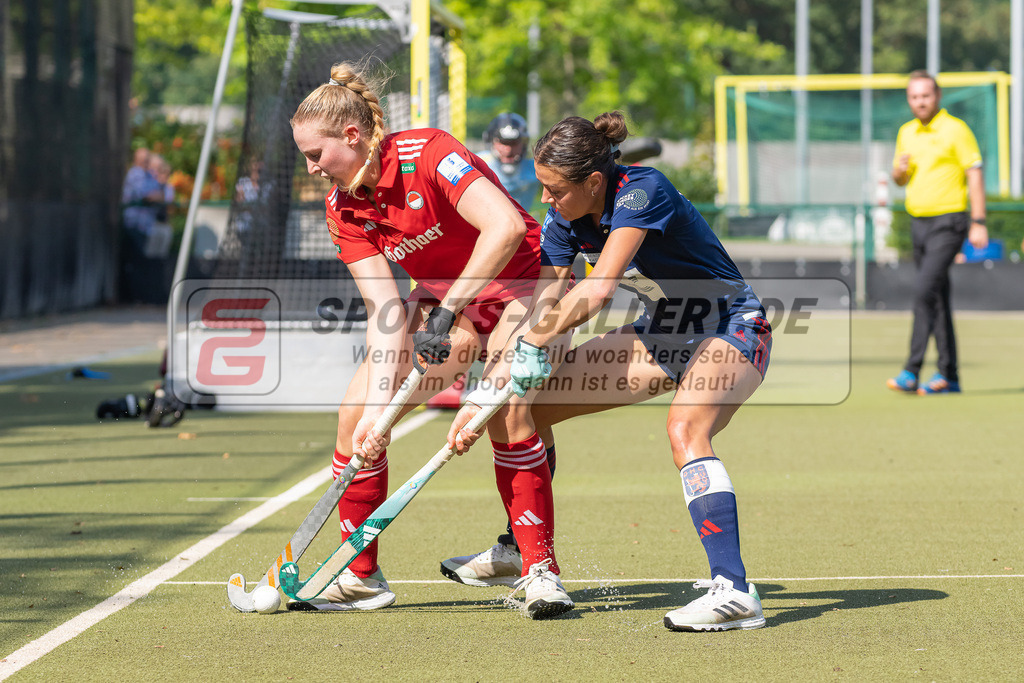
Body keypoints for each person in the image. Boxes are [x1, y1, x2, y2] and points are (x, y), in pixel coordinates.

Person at [441, 111, 773, 632]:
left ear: (594, 181)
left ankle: (733, 591)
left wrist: (532, 341)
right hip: (661, 335)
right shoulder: (561, 218)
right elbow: (544, 303)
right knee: (520, 414)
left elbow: (596, 292)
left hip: (730, 327)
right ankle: (520, 548)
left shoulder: (642, 190)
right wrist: (493, 390)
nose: (545, 200)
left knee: (686, 428)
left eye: (555, 189)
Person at [286, 62, 572, 619]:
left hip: (525, 283)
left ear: (352, 136)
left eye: (316, 154)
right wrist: (378, 413)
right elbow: (384, 307)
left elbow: (505, 228)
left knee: (504, 410)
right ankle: (361, 577)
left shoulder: (430, 151)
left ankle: (541, 573)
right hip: (445, 301)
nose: (312, 168)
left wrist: (448, 309)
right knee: (356, 418)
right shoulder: (343, 207)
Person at [887, 70, 988, 396]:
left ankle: (911, 370)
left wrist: (979, 221)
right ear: (909, 99)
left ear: (938, 95)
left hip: (950, 222)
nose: (920, 102)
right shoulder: (907, 132)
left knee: (922, 291)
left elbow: (974, 174)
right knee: (938, 299)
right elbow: (900, 179)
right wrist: (899, 172)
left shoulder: (956, 130)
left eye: (926, 96)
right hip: (919, 223)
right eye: (914, 97)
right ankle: (950, 376)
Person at [479, 112, 540, 213]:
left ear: (523, 143)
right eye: (503, 142)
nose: (508, 149)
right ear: (491, 141)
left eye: (514, 143)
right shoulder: (478, 164)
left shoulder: (535, 167)